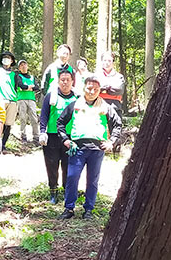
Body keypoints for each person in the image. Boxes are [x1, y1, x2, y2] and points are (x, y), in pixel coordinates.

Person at [56, 74, 122, 219]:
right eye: (89, 88)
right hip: (77, 148)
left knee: (92, 180)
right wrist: (65, 140)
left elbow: (117, 124)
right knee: (72, 178)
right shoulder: (75, 105)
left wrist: (112, 141)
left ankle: (88, 210)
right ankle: (69, 208)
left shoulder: (106, 106)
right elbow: (60, 122)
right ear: (84, 87)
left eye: (96, 89)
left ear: (99, 90)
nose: (92, 92)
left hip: (97, 149)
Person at [38, 67, 78, 204]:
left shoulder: (77, 97)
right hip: (52, 136)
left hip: (70, 137)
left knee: (68, 165)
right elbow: (44, 115)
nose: (65, 83)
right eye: (62, 80)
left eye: (68, 80)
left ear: (72, 81)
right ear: (58, 81)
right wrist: (42, 131)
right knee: (52, 164)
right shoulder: (51, 96)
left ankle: (67, 191)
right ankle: (53, 192)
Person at [0, 51, 18, 151]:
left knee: (8, 124)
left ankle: (3, 145)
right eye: (5, 57)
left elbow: (15, 87)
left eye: (9, 58)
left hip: (12, 101)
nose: (6, 59)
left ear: (12, 61)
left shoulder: (15, 75)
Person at [13, 59, 39, 143]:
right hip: (21, 99)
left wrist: (27, 88)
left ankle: (36, 136)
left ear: (27, 66)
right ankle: (23, 135)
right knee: (23, 118)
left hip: (31, 99)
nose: (23, 66)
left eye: (25, 64)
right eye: (21, 65)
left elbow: (37, 87)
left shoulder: (32, 77)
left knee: (34, 118)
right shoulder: (18, 76)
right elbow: (20, 85)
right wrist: (30, 87)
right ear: (19, 67)